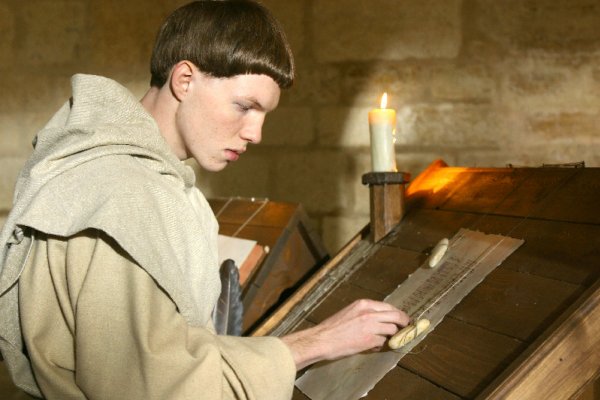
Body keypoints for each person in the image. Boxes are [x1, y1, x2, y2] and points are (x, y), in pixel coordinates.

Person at [0, 1, 409, 398]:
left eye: (264, 114)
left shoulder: (146, 180)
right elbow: (152, 387)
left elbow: (168, 348)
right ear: (184, 80)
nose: (256, 133)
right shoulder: (121, 195)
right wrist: (313, 344)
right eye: (244, 106)